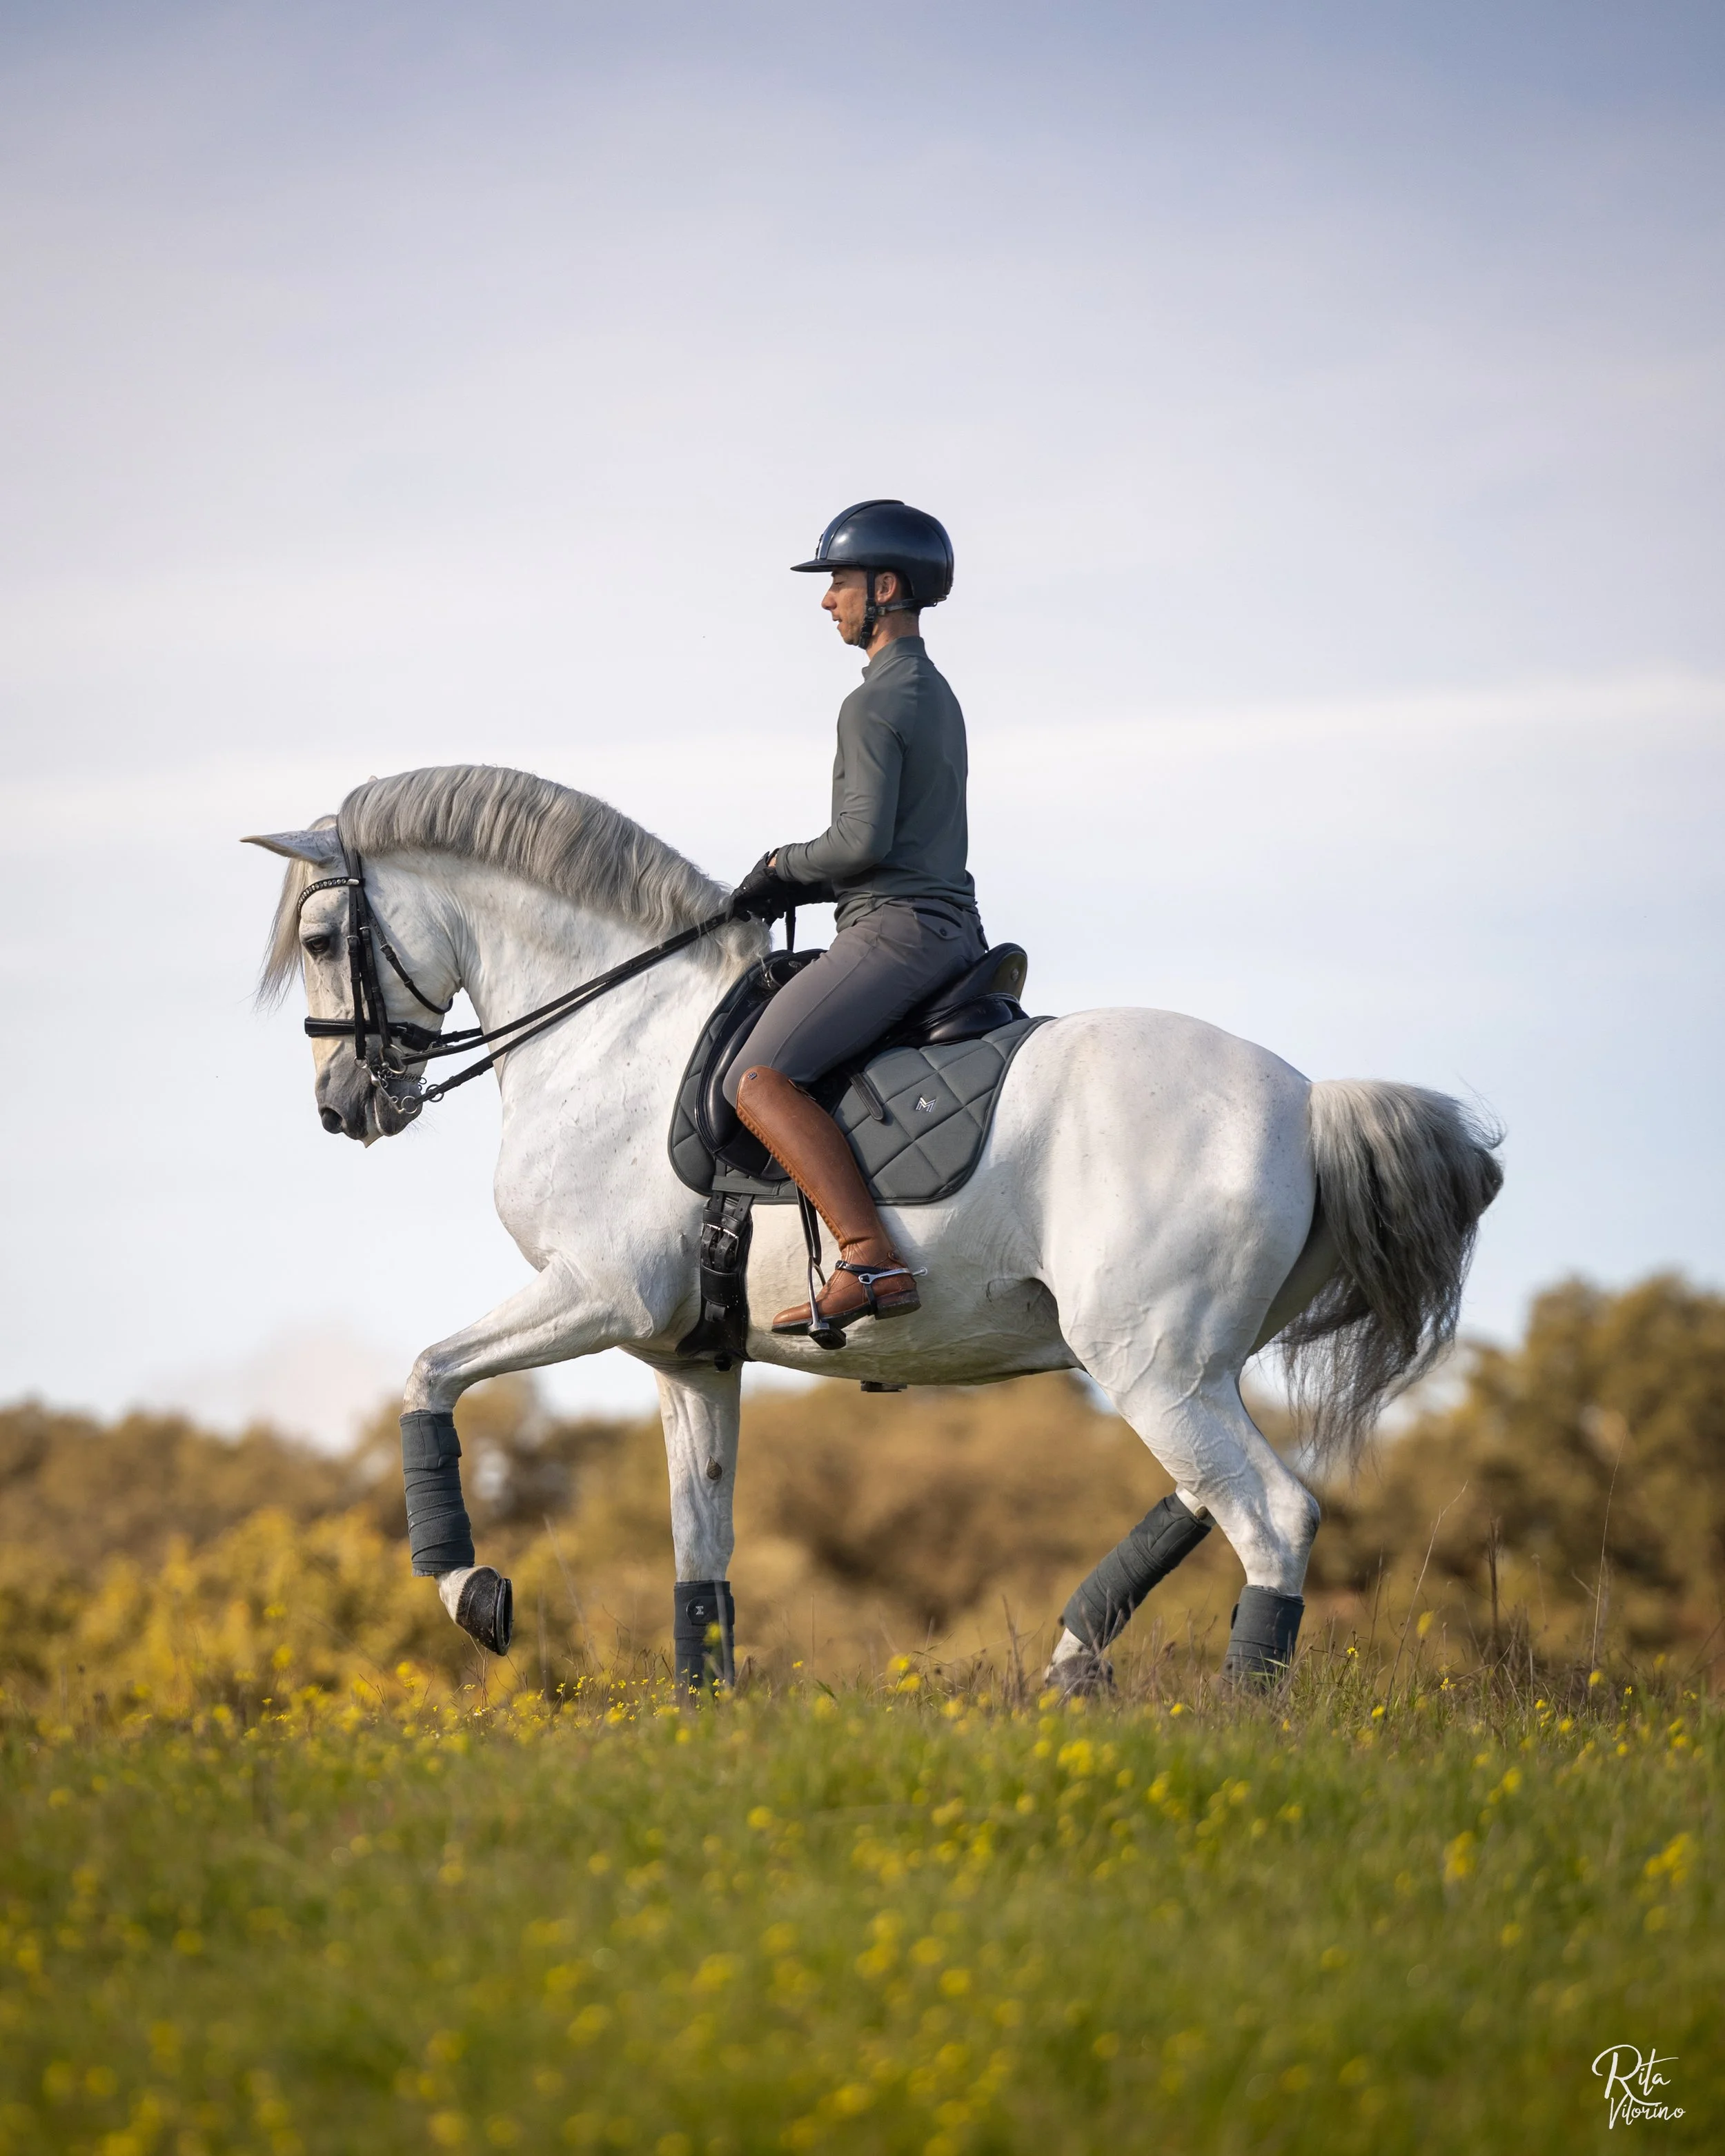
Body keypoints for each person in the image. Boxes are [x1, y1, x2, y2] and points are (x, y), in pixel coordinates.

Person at [727, 498, 986, 1341]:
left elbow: (858, 840)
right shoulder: (934, 691)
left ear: (883, 586)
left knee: (758, 1077)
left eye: (838, 581)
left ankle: (869, 1253)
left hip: (895, 928)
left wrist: (778, 870)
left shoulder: (871, 703)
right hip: (952, 928)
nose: (827, 599)